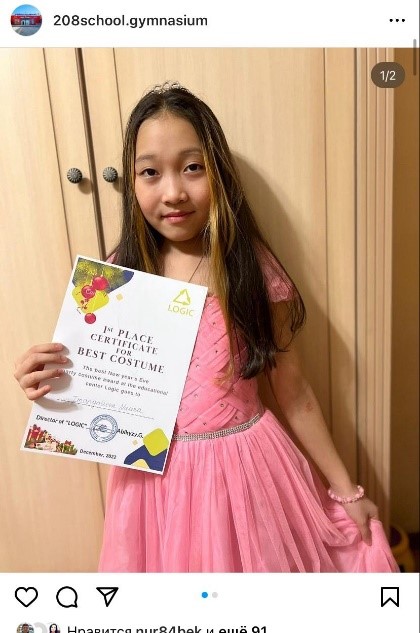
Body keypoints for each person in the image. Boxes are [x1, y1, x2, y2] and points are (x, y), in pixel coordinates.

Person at [14, 83, 399, 573]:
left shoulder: (250, 267)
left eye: (192, 167)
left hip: (248, 474)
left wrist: (347, 491)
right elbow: (92, 390)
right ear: (131, 182)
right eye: (150, 172)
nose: (173, 192)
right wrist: (50, 384)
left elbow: (294, 389)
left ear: (218, 171)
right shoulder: (115, 278)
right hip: (154, 483)